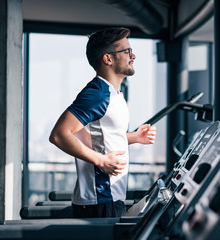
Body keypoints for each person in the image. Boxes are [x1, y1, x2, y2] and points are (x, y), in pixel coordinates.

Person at [49, 27, 156, 218]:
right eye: (127, 51)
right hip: (100, 198)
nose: (133, 56)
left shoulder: (114, 94)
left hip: (110, 196)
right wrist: (101, 160)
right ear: (108, 59)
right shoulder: (97, 93)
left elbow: (100, 138)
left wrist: (134, 137)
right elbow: (59, 134)